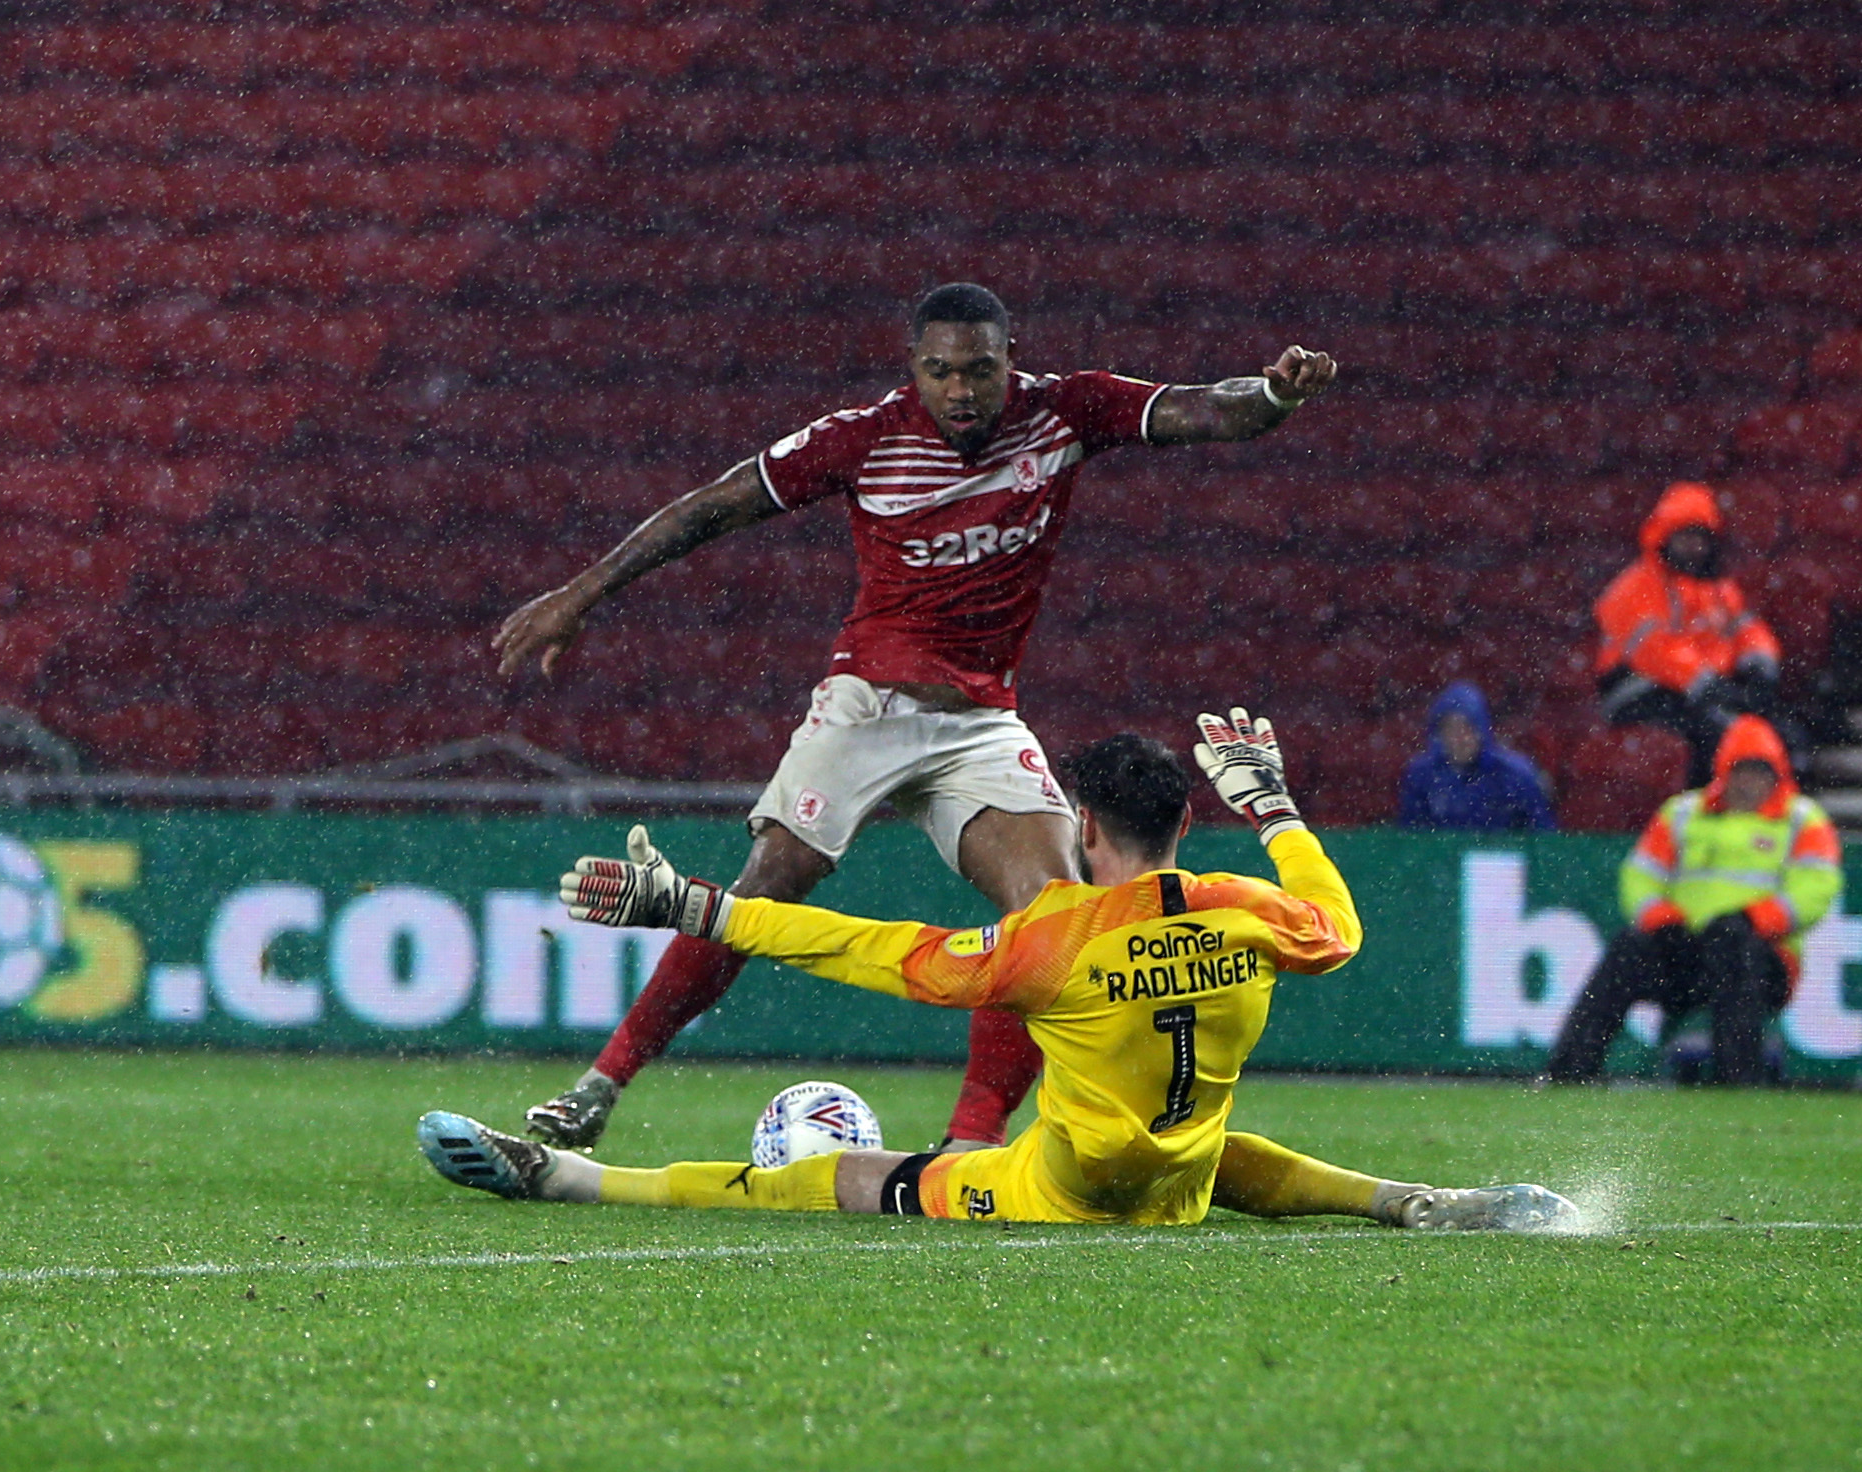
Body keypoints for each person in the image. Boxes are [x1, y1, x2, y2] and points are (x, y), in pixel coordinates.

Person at [491, 283, 1337, 1152]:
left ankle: (969, 1142)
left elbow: (1202, 411)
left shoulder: (1063, 412)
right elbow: (713, 506)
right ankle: (600, 1086)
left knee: (1051, 918)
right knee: (771, 879)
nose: (960, 391)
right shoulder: (861, 439)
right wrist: (580, 594)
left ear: (1012, 360)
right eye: (940, 372)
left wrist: (1272, 393)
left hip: (978, 719)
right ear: (914, 370)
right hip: (866, 705)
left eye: (979, 370)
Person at [420, 711, 1575, 1233]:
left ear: (1083, 821)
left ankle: (568, 1180)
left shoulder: (1052, 937)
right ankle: (1408, 1200)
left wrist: (696, 902)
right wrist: (1272, 806)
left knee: (833, 1179)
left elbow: (866, 947)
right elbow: (1339, 923)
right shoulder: (1252, 912)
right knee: (1212, 1149)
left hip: (1064, 1192)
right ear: (1186, 817)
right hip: (1181, 1179)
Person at [1545, 715, 1840, 1087]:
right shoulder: (1683, 813)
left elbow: (1816, 888)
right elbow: (1640, 874)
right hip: (1686, 947)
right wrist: (1661, 919)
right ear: (1722, 773)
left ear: (1777, 776)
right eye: (1741, 772)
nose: (1749, 784)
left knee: (1736, 952)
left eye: (1760, 773)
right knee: (1628, 949)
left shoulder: (1802, 819)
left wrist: (1754, 920)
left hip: (1764, 955)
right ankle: (1569, 1072)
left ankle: (1738, 1082)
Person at [1593, 481, 1784, 785]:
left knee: (1772, 731)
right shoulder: (1634, 586)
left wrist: (1761, 667)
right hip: (1640, 692)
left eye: (1700, 538)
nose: (1693, 547)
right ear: (1665, 537)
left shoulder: (1718, 589)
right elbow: (1653, 652)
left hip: (1699, 691)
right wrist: (1708, 684)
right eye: (1685, 537)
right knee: (1714, 735)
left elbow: (1748, 630)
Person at [1397, 681, 1555, 831]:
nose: (1459, 738)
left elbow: (1542, 836)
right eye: (1451, 729)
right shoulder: (1422, 775)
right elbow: (1412, 839)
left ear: (1482, 730)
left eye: (1468, 728)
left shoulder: (1515, 775)